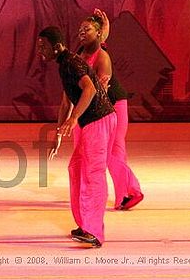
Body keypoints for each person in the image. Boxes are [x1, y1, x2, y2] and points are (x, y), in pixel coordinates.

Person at [39, 26, 117, 248]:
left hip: (99, 119)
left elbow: (90, 89)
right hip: (91, 121)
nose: (39, 50)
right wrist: (58, 134)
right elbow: (66, 101)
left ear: (56, 47)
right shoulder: (64, 64)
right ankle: (85, 224)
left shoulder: (71, 62)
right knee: (76, 168)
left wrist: (73, 119)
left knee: (93, 173)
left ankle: (94, 232)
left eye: (43, 46)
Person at [76, 11, 144, 210]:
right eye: (80, 29)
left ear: (98, 34)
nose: (81, 32)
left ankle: (129, 192)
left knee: (113, 153)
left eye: (86, 29)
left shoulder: (101, 55)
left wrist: (104, 35)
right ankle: (126, 194)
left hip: (113, 105)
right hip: (100, 108)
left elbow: (99, 51)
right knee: (110, 153)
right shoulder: (80, 55)